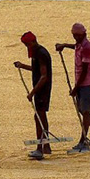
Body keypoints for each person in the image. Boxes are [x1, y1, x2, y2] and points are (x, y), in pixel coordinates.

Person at [56, 23, 90, 150]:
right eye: (74, 36)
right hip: (80, 83)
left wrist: (76, 88)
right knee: (83, 111)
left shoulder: (87, 47)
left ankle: (83, 140)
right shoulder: (80, 44)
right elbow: (75, 47)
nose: (76, 38)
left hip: (86, 83)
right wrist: (64, 45)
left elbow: (84, 71)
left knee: (85, 111)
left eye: (78, 35)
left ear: (84, 34)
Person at [14, 31, 53, 160]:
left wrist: (32, 92)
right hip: (41, 90)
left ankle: (40, 148)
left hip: (42, 90)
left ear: (32, 42)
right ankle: (46, 146)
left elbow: (43, 76)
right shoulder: (38, 52)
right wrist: (22, 66)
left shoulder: (41, 53)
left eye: (27, 44)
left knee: (39, 117)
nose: (26, 47)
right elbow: (36, 69)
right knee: (41, 116)